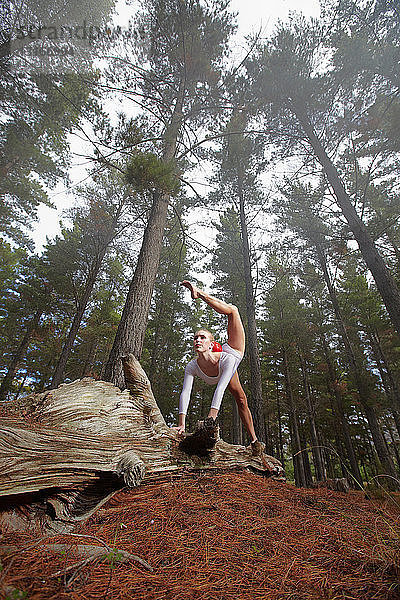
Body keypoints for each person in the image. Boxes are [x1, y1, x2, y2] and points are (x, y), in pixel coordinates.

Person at [174, 280, 264, 456]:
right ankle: (254, 441)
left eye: (202, 337)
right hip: (223, 366)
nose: (198, 340)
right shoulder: (192, 366)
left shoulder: (228, 358)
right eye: (195, 338)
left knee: (234, 310)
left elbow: (221, 388)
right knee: (241, 397)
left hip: (233, 351)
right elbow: (186, 392)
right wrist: (181, 424)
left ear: (212, 344)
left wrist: (211, 419)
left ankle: (254, 442)